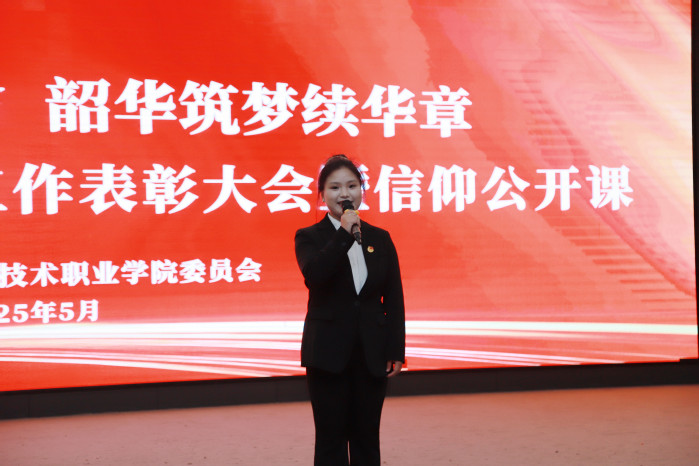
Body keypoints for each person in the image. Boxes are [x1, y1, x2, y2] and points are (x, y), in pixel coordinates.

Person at [294, 154, 406, 466]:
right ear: (322, 194)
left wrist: (396, 349)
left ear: (361, 190)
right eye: (335, 187)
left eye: (352, 186)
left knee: (366, 436)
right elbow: (315, 276)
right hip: (327, 353)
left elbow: (393, 298)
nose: (345, 194)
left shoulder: (380, 238)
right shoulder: (309, 237)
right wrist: (343, 234)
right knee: (330, 439)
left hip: (371, 351)